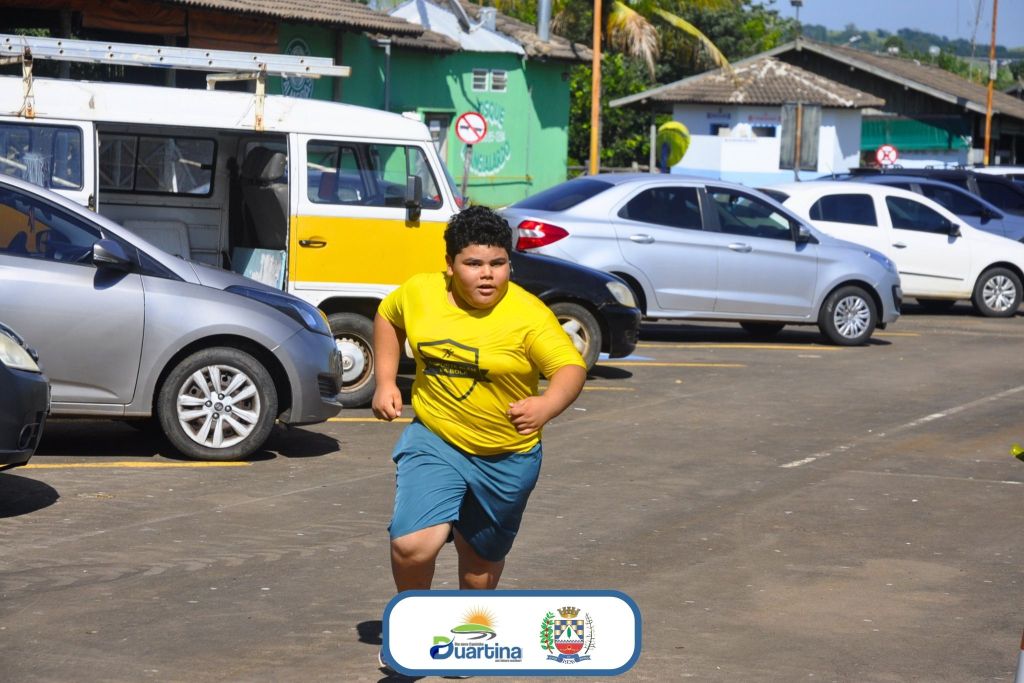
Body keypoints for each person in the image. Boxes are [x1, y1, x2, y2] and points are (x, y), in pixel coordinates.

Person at [372, 205, 587, 597]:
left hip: (507, 456)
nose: (487, 274)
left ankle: (470, 628)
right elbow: (389, 315)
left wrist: (546, 406)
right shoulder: (421, 292)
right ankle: (412, 622)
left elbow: (570, 367)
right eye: (473, 263)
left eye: (497, 264)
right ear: (450, 264)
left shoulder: (528, 315)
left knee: (477, 570)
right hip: (437, 438)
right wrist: (385, 381)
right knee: (413, 546)